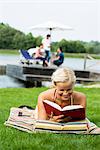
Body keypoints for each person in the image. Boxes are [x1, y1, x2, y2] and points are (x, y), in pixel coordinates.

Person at [36, 67, 100, 134]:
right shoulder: (44, 96)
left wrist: (70, 120)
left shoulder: (81, 97)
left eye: (69, 89)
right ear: (55, 85)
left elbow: (82, 120)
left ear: (73, 85)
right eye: (61, 90)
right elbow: (41, 121)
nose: (65, 93)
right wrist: (51, 120)